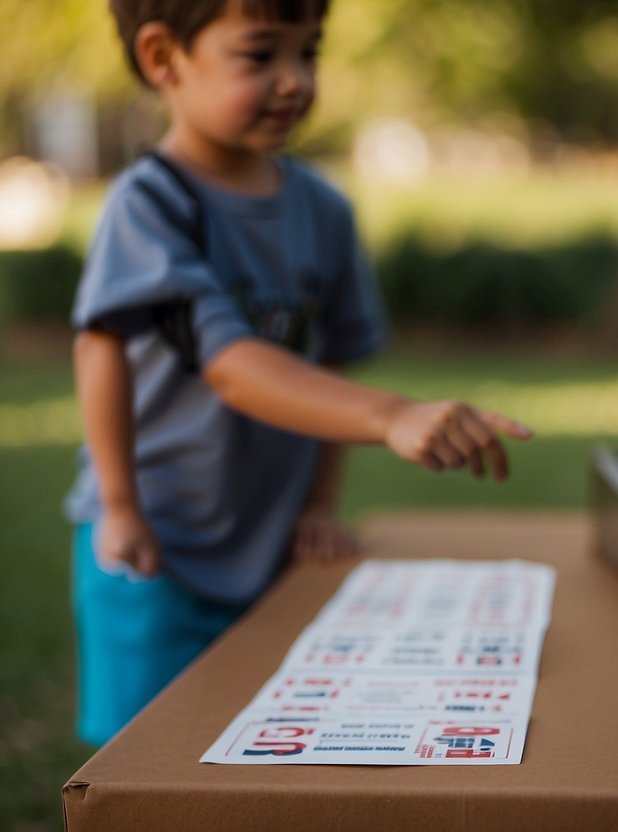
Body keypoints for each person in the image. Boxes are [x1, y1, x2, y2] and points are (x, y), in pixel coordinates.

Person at [65, 0, 532, 746]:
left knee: (255, 746)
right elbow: (201, 363)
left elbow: (332, 352)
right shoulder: (150, 204)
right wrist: (118, 502)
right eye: (259, 55)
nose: (294, 82)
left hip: (271, 543)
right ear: (163, 58)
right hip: (157, 548)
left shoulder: (322, 210)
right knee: (148, 757)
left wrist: (318, 503)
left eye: (308, 52)